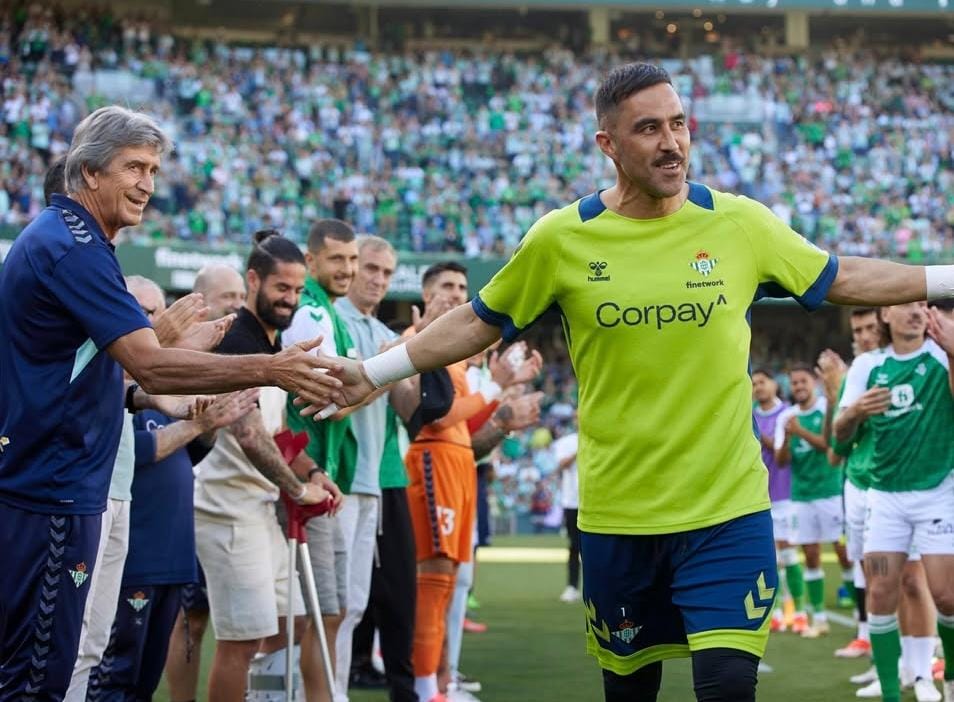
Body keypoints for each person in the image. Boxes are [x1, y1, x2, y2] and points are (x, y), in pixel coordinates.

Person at [322, 63, 954, 702]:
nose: (671, 142)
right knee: (630, 692)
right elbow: (480, 320)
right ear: (608, 145)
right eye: (648, 128)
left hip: (726, 511)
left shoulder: (740, 224)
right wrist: (374, 373)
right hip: (619, 517)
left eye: (678, 124)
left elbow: (840, 276)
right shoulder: (561, 238)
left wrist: (946, 277)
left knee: (729, 684)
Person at [0, 106, 340, 701]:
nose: (147, 184)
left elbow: (103, 370)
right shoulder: (74, 246)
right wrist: (272, 368)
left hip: (61, 480)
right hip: (52, 485)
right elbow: (148, 363)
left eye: (154, 169)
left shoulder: (76, 242)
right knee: (37, 675)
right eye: (133, 166)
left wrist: (168, 359)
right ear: (90, 171)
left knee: (61, 663)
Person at [85, 280, 258, 701]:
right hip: (134, 557)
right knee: (111, 675)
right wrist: (196, 425)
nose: (152, 321)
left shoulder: (168, 382)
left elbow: (190, 456)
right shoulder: (110, 381)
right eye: (140, 311)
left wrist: (210, 424)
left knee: (144, 680)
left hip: (173, 554)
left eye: (157, 310)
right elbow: (141, 449)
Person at [192, 230, 344, 702]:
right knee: (240, 642)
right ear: (253, 280)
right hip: (227, 508)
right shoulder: (239, 339)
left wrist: (313, 471)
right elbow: (248, 434)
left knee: (286, 625)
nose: (291, 299)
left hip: (258, 509)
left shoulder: (270, 342)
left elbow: (276, 433)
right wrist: (299, 492)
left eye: (298, 290)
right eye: (282, 288)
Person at [401, 262, 540, 702]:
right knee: (435, 580)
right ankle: (426, 688)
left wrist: (503, 392)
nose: (455, 294)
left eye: (462, 287)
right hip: (433, 464)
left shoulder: (453, 355)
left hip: (458, 465)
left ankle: (441, 681)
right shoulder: (416, 346)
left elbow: (463, 423)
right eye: (445, 286)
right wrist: (494, 388)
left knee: (450, 582)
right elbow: (439, 418)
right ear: (424, 295)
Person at [834, 302, 954, 702]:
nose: (917, 312)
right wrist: (855, 411)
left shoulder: (941, 354)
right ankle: (891, 692)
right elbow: (839, 435)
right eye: (906, 305)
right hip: (884, 495)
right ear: (887, 314)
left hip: (938, 490)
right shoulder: (868, 366)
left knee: (945, 595)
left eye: (923, 304)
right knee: (881, 591)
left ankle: (944, 679)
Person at [282, 219, 361, 702]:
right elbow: (334, 395)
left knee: (327, 611)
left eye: (351, 259)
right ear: (311, 261)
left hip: (318, 472)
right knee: (321, 611)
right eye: (337, 259)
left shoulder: (324, 310)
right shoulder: (311, 313)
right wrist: (385, 373)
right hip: (305, 470)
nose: (347, 269)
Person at [164, 265, 247, 702]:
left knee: (236, 623)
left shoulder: (245, 346)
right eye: (226, 296)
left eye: (240, 295)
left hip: (237, 505)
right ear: (200, 302)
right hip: (190, 503)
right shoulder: (177, 355)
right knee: (190, 617)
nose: (236, 304)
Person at [774, 364, 851, 639]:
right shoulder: (789, 417)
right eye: (794, 383)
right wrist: (788, 436)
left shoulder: (825, 410)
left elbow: (830, 446)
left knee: (844, 553)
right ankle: (818, 617)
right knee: (810, 554)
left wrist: (801, 432)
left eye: (803, 381)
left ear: (814, 382)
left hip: (830, 492)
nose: (798, 387)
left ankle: (857, 605)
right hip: (802, 495)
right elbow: (782, 462)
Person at [751, 369, 802, 634]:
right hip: (758, 497)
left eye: (762, 382)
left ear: (774, 384)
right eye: (754, 383)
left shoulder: (788, 414)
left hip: (785, 495)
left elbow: (783, 456)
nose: (758, 387)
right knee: (770, 557)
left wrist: (762, 437)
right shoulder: (747, 414)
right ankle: (779, 611)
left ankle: (799, 611)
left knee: (789, 553)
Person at [553, 417, 581, 604]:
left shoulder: (603, 437)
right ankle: (572, 586)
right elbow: (562, 465)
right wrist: (581, 450)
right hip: (572, 502)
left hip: (599, 501)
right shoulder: (567, 442)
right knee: (574, 546)